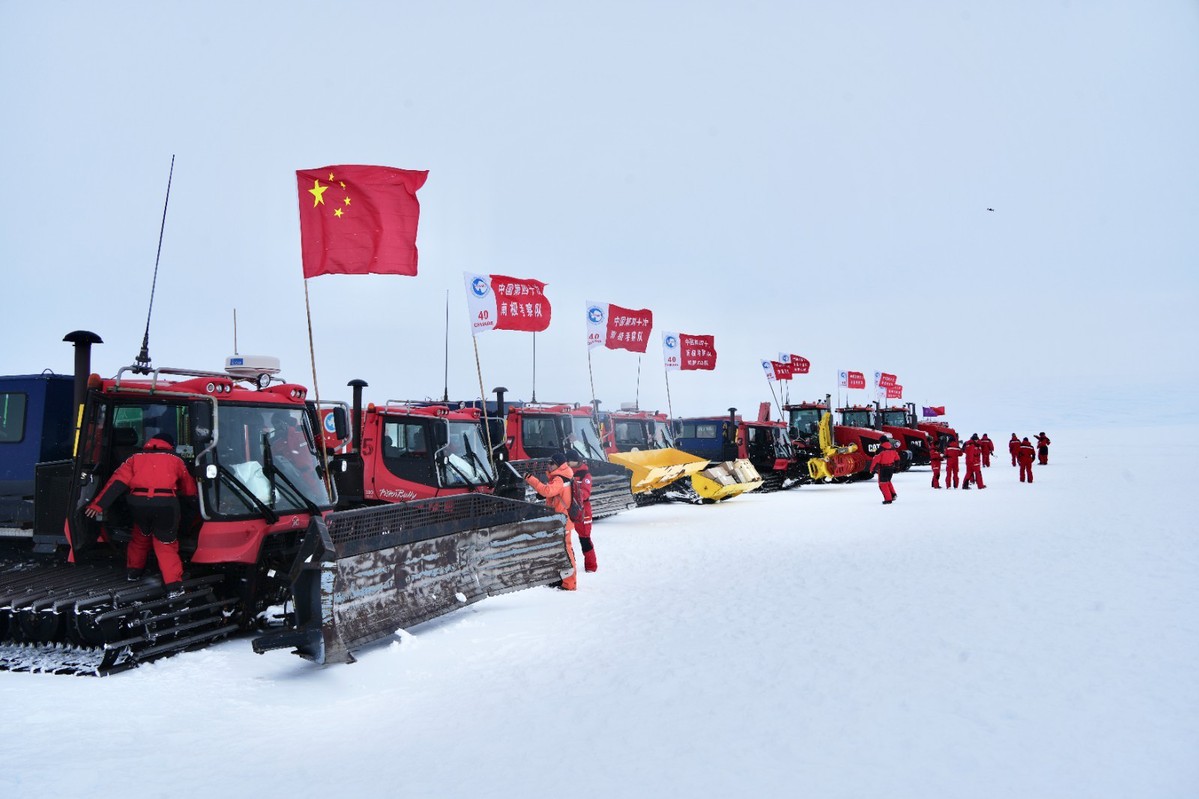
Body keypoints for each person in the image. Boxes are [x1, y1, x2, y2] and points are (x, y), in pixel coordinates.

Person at [84, 433, 196, 596]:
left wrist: (98, 505)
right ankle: (173, 585)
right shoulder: (176, 460)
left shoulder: (135, 458)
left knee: (140, 536)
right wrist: (194, 501)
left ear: (151, 443)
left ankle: (133, 572)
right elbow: (189, 488)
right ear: (169, 445)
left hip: (138, 504)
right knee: (165, 543)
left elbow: (116, 483)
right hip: (165, 504)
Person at [524, 451, 578, 590]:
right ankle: (561, 579)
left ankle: (569, 583)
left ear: (558, 465)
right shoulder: (565, 475)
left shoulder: (560, 479)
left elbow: (547, 491)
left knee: (565, 551)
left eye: (551, 463)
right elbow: (553, 494)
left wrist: (530, 479)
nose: (548, 465)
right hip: (561, 519)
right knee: (561, 550)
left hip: (562, 521)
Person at [566, 454, 597, 573]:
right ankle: (570, 564)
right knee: (566, 538)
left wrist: (574, 497)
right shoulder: (566, 473)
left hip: (583, 509)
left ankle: (591, 566)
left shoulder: (585, 475)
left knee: (584, 538)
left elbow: (585, 492)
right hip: (569, 508)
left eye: (570, 460)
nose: (568, 463)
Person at [869, 438, 901, 504]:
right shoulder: (892, 449)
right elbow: (897, 458)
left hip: (883, 468)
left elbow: (875, 460)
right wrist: (897, 467)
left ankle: (888, 499)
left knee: (883, 484)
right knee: (888, 481)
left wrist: (872, 469)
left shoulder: (880, 450)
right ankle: (893, 494)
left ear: (881, 442)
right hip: (891, 468)